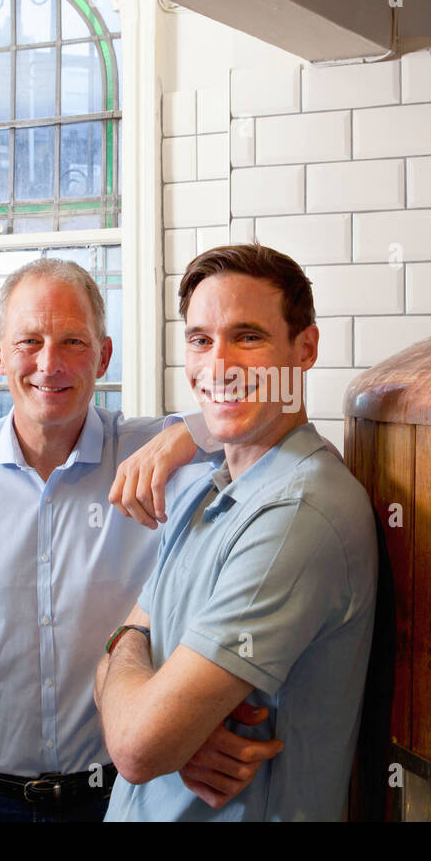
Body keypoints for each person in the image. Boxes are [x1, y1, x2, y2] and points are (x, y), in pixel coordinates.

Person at [0, 258, 280, 822]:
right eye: (29, 342)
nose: (48, 364)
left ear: (104, 356)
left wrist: (187, 433)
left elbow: (280, 430)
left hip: (122, 796)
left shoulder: (156, 456)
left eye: (72, 342)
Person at [94, 244, 377, 821]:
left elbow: (136, 746)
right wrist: (169, 721)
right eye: (200, 339)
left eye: (247, 337)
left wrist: (138, 685)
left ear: (306, 349)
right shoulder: (207, 487)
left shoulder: (298, 514)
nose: (217, 364)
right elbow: (130, 649)